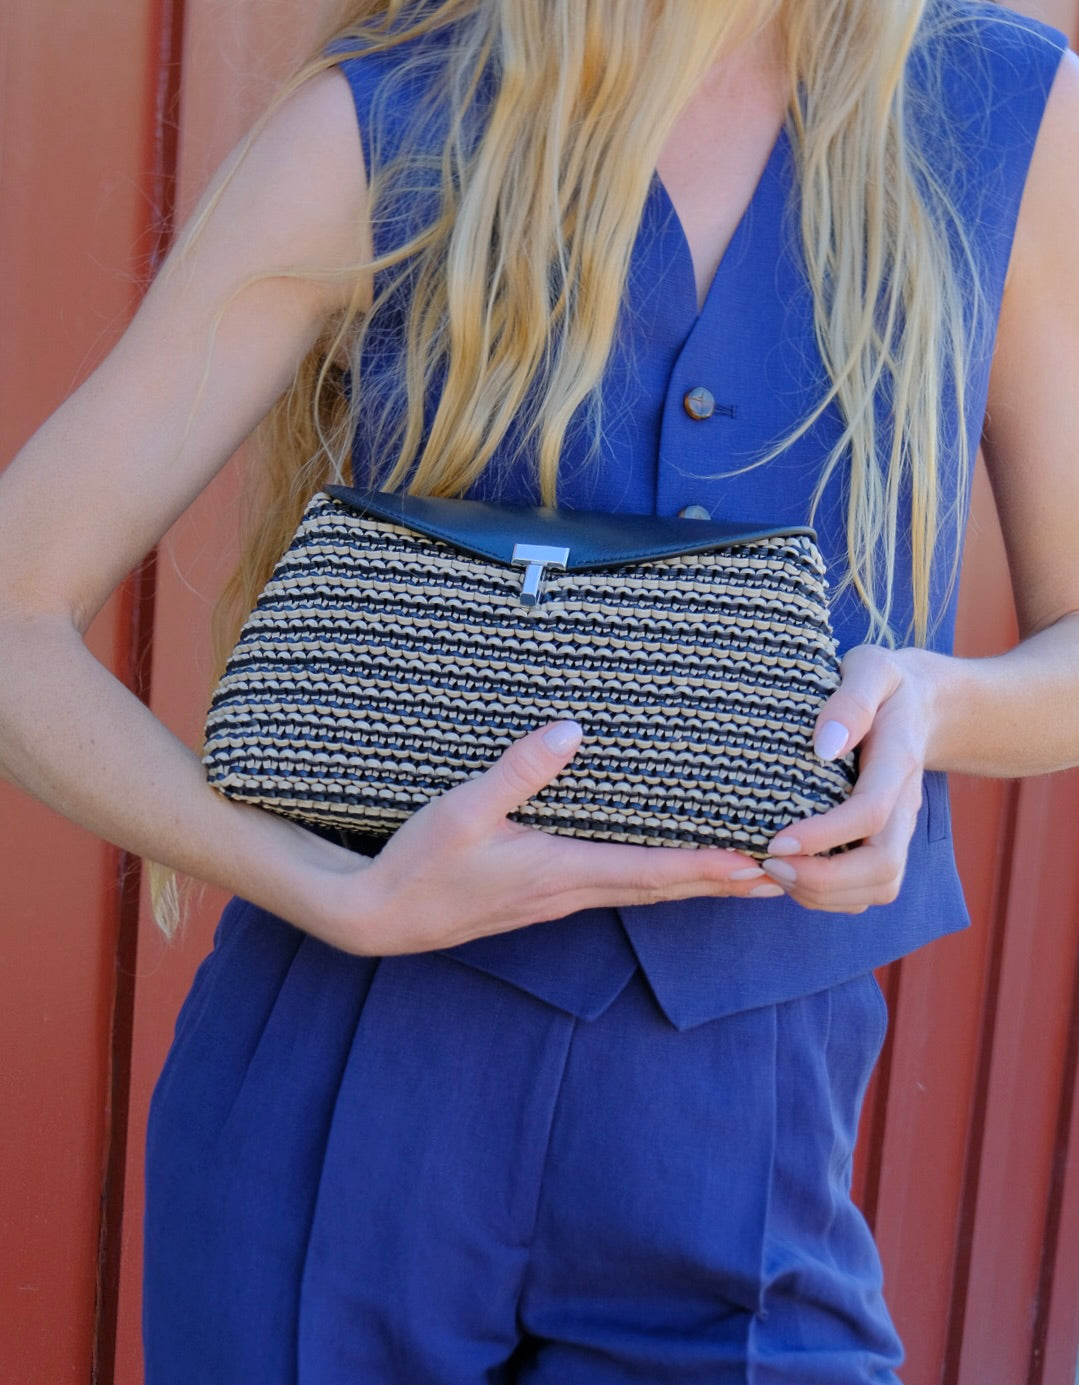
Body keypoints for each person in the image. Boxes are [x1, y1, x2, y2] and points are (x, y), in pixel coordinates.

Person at [1, 0, 1077, 1378]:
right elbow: (17, 608)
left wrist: (935, 702)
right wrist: (335, 889)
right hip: (346, 1111)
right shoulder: (391, 114)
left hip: (745, 1164)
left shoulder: (1004, 116)